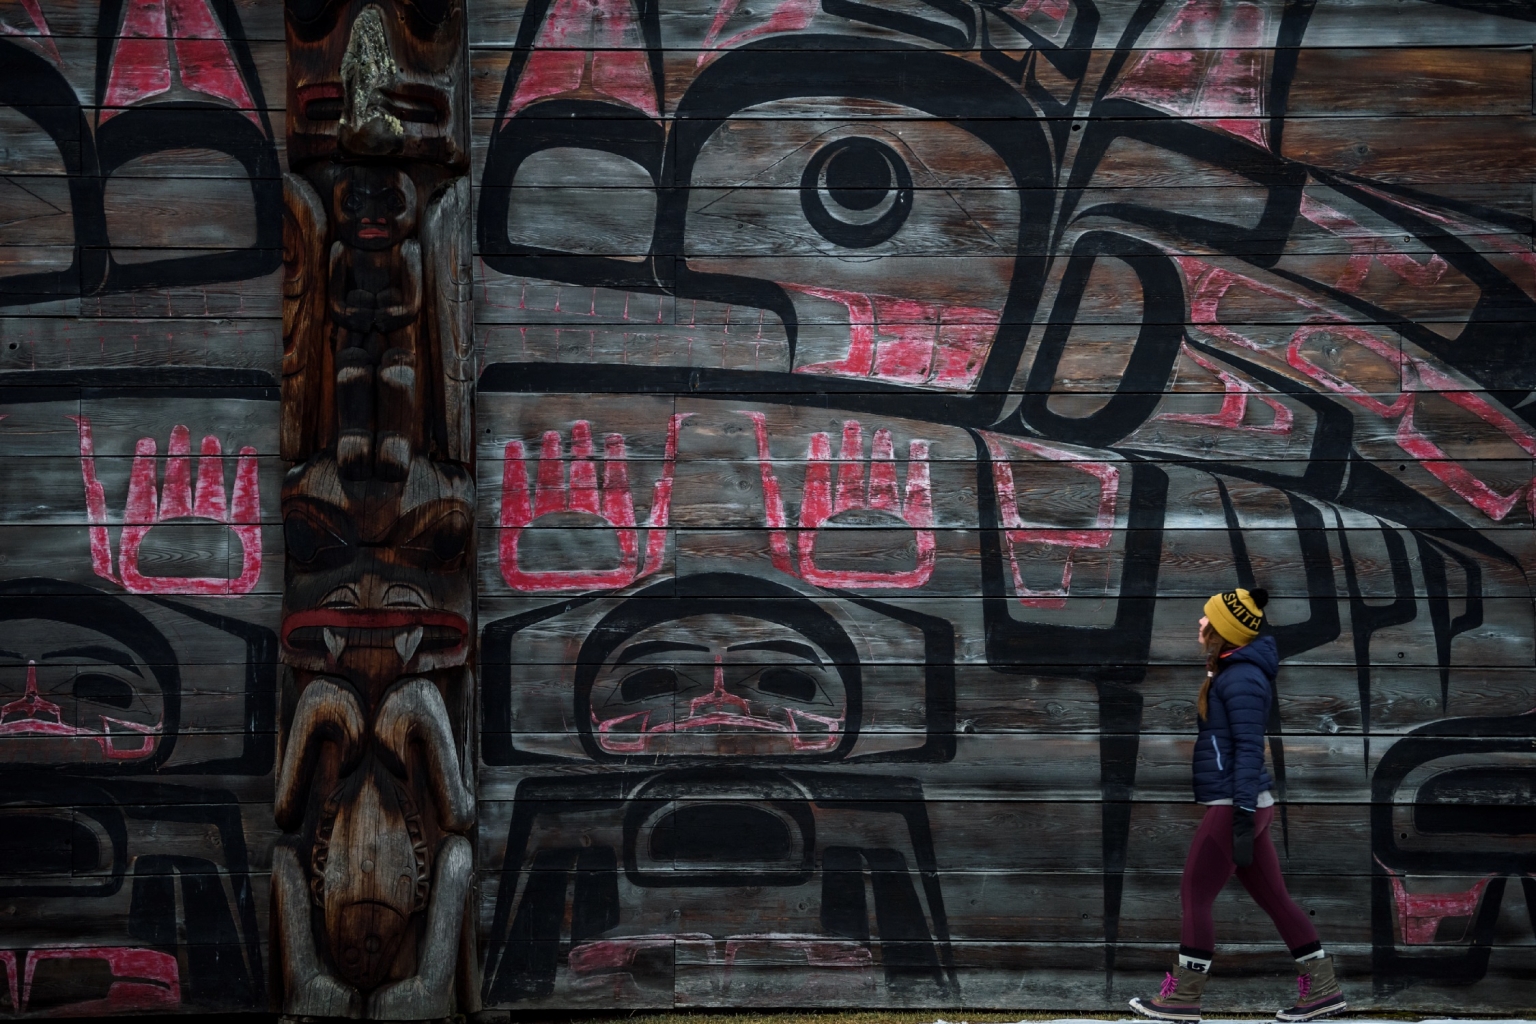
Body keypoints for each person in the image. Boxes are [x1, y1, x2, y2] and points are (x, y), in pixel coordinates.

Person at [1130, 587, 1346, 1023]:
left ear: (1223, 630)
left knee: (1195, 894)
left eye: (1206, 618)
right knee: (1276, 900)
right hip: (1244, 802)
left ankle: (1183, 998)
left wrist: (1242, 811)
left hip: (1237, 803)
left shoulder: (1242, 676)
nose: (1200, 623)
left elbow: (1250, 747)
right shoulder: (1230, 671)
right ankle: (1323, 991)